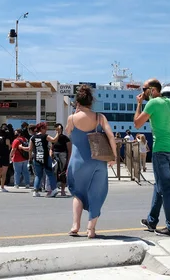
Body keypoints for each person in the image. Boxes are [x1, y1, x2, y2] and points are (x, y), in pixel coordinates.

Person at [134, 79, 170, 238]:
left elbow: (137, 124)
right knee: (159, 186)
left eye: (144, 89)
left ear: (152, 90)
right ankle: (152, 221)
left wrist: (139, 104)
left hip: (160, 151)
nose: (142, 92)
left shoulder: (152, 104)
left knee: (165, 189)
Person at [66, 85, 117, 238]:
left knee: (78, 194)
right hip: (97, 161)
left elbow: (68, 134)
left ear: (78, 103)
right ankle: (91, 230)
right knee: (96, 193)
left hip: (77, 162)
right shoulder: (99, 117)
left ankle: (75, 225)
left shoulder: (72, 118)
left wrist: (76, 114)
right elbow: (110, 136)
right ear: (91, 102)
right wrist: (113, 157)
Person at [30, 122, 59, 198]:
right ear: (42, 128)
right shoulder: (45, 136)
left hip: (37, 158)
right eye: (45, 128)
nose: (46, 130)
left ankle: (35, 191)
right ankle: (54, 189)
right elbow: (54, 140)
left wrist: (30, 158)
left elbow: (30, 149)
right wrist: (58, 132)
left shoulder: (33, 137)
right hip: (45, 158)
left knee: (38, 175)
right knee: (50, 173)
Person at [48, 123, 72, 196]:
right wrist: (50, 155)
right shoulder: (54, 138)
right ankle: (54, 189)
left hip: (63, 154)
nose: (57, 130)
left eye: (58, 129)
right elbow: (51, 148)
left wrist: (68, 159)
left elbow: (69, 149)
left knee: (63, 172)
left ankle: (62, 190)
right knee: (54, 172)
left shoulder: (65, 138)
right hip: (55, 155)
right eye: (56, 129)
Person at [0, 124, 11, 192]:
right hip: (5, 156)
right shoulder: (7, 140)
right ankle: (2, 187)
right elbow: (9, 147)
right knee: (4, 173)